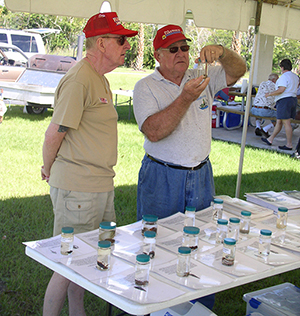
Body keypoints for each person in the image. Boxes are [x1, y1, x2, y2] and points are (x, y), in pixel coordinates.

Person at [133, 24, 245, 310]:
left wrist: (221, 51)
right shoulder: (146, 87)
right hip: (162, 176)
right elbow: (154, 132)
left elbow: (238, 69)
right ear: (158, 55)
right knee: (156, 243)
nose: (181, 53)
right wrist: (185, 97)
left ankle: (198, 307)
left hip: (201, 174)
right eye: (173, 49)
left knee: (200, 244)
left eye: (184, 47)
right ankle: (156, 306)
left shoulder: (202, 75)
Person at [41, 12, 137, 316]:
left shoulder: (99, 79)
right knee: (66, 263)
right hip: (79, 189)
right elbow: (55, 132)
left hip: (98, 186)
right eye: (121, 40)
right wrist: (48, 168)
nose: (127, 47)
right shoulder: (80, 79)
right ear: (101, 43)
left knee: (90, 258)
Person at [261, 59, 299, 150]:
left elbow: (281, 90)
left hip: (284, 100)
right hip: (293, 99)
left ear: (282, 67)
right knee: (279, 121)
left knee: (286, 123)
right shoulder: (295, 77)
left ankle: (289, 144)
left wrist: (270, 94)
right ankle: (270, 139)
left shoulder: (284, 77)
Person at [251, 73, 279, 138]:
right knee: (281, 116)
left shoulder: (262, 83)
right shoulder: (275, 86)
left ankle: (258, 127)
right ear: (274, 80)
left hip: (254, 109)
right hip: (264, 110)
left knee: (259, 109)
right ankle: (265, 129)